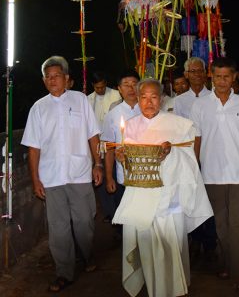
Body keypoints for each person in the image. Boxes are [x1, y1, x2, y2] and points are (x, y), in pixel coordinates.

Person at [112, 79, 213, 297]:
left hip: (170, 194)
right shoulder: (130, 126)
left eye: (153, 97)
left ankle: (177, 286)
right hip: (141, 195)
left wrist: (171, 152)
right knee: (147, 246)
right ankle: (154, 287)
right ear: (138, 99)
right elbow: (131, 165)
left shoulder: (178, 125)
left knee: (171, 243)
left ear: (161, 99)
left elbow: (189, 160)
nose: (148, 102)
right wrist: (121, 158)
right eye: (144, 97)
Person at [21, 56, 103, 292]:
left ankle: (87, 255)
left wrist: (97, 164)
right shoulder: (39, 108)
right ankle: (64, 272)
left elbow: (93, 135)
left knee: (84, 221)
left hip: (79, 173)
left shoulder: (80, 101)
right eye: (47, 77)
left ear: (67, 78)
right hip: (52, 176)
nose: (51, 80)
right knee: (58, 228)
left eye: (56, 76)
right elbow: (33, 147)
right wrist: (36, 178)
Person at [190, 57, 239, 294]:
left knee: (237, 226)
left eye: (226, 76)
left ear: (234, 77)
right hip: (211, 176)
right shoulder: (200, 106)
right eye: (217, 76)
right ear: (212, 76)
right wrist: (194, 173)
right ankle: (228, 263)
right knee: (220, 227)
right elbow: (196, 142)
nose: (221, 81)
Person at [173, 57, 215, 259]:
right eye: (192, 71)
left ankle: (211, 243)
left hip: (212, 155)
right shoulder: (180, 101)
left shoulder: (214, 96)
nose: (197, 75)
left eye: (200, 71)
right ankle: (196, 239)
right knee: (191, 198)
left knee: (210, 199)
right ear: (186, 75)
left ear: (206, 73)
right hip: (188, 156)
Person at [102, 69, 141, 219]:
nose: (131, 89)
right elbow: (109, 148)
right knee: (127, 219)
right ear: (119, 89)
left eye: (134, 84)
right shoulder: (113, 114)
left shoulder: (149, 111)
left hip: (147, 174)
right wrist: (109, 177)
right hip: (123, 177)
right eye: (126, 85)